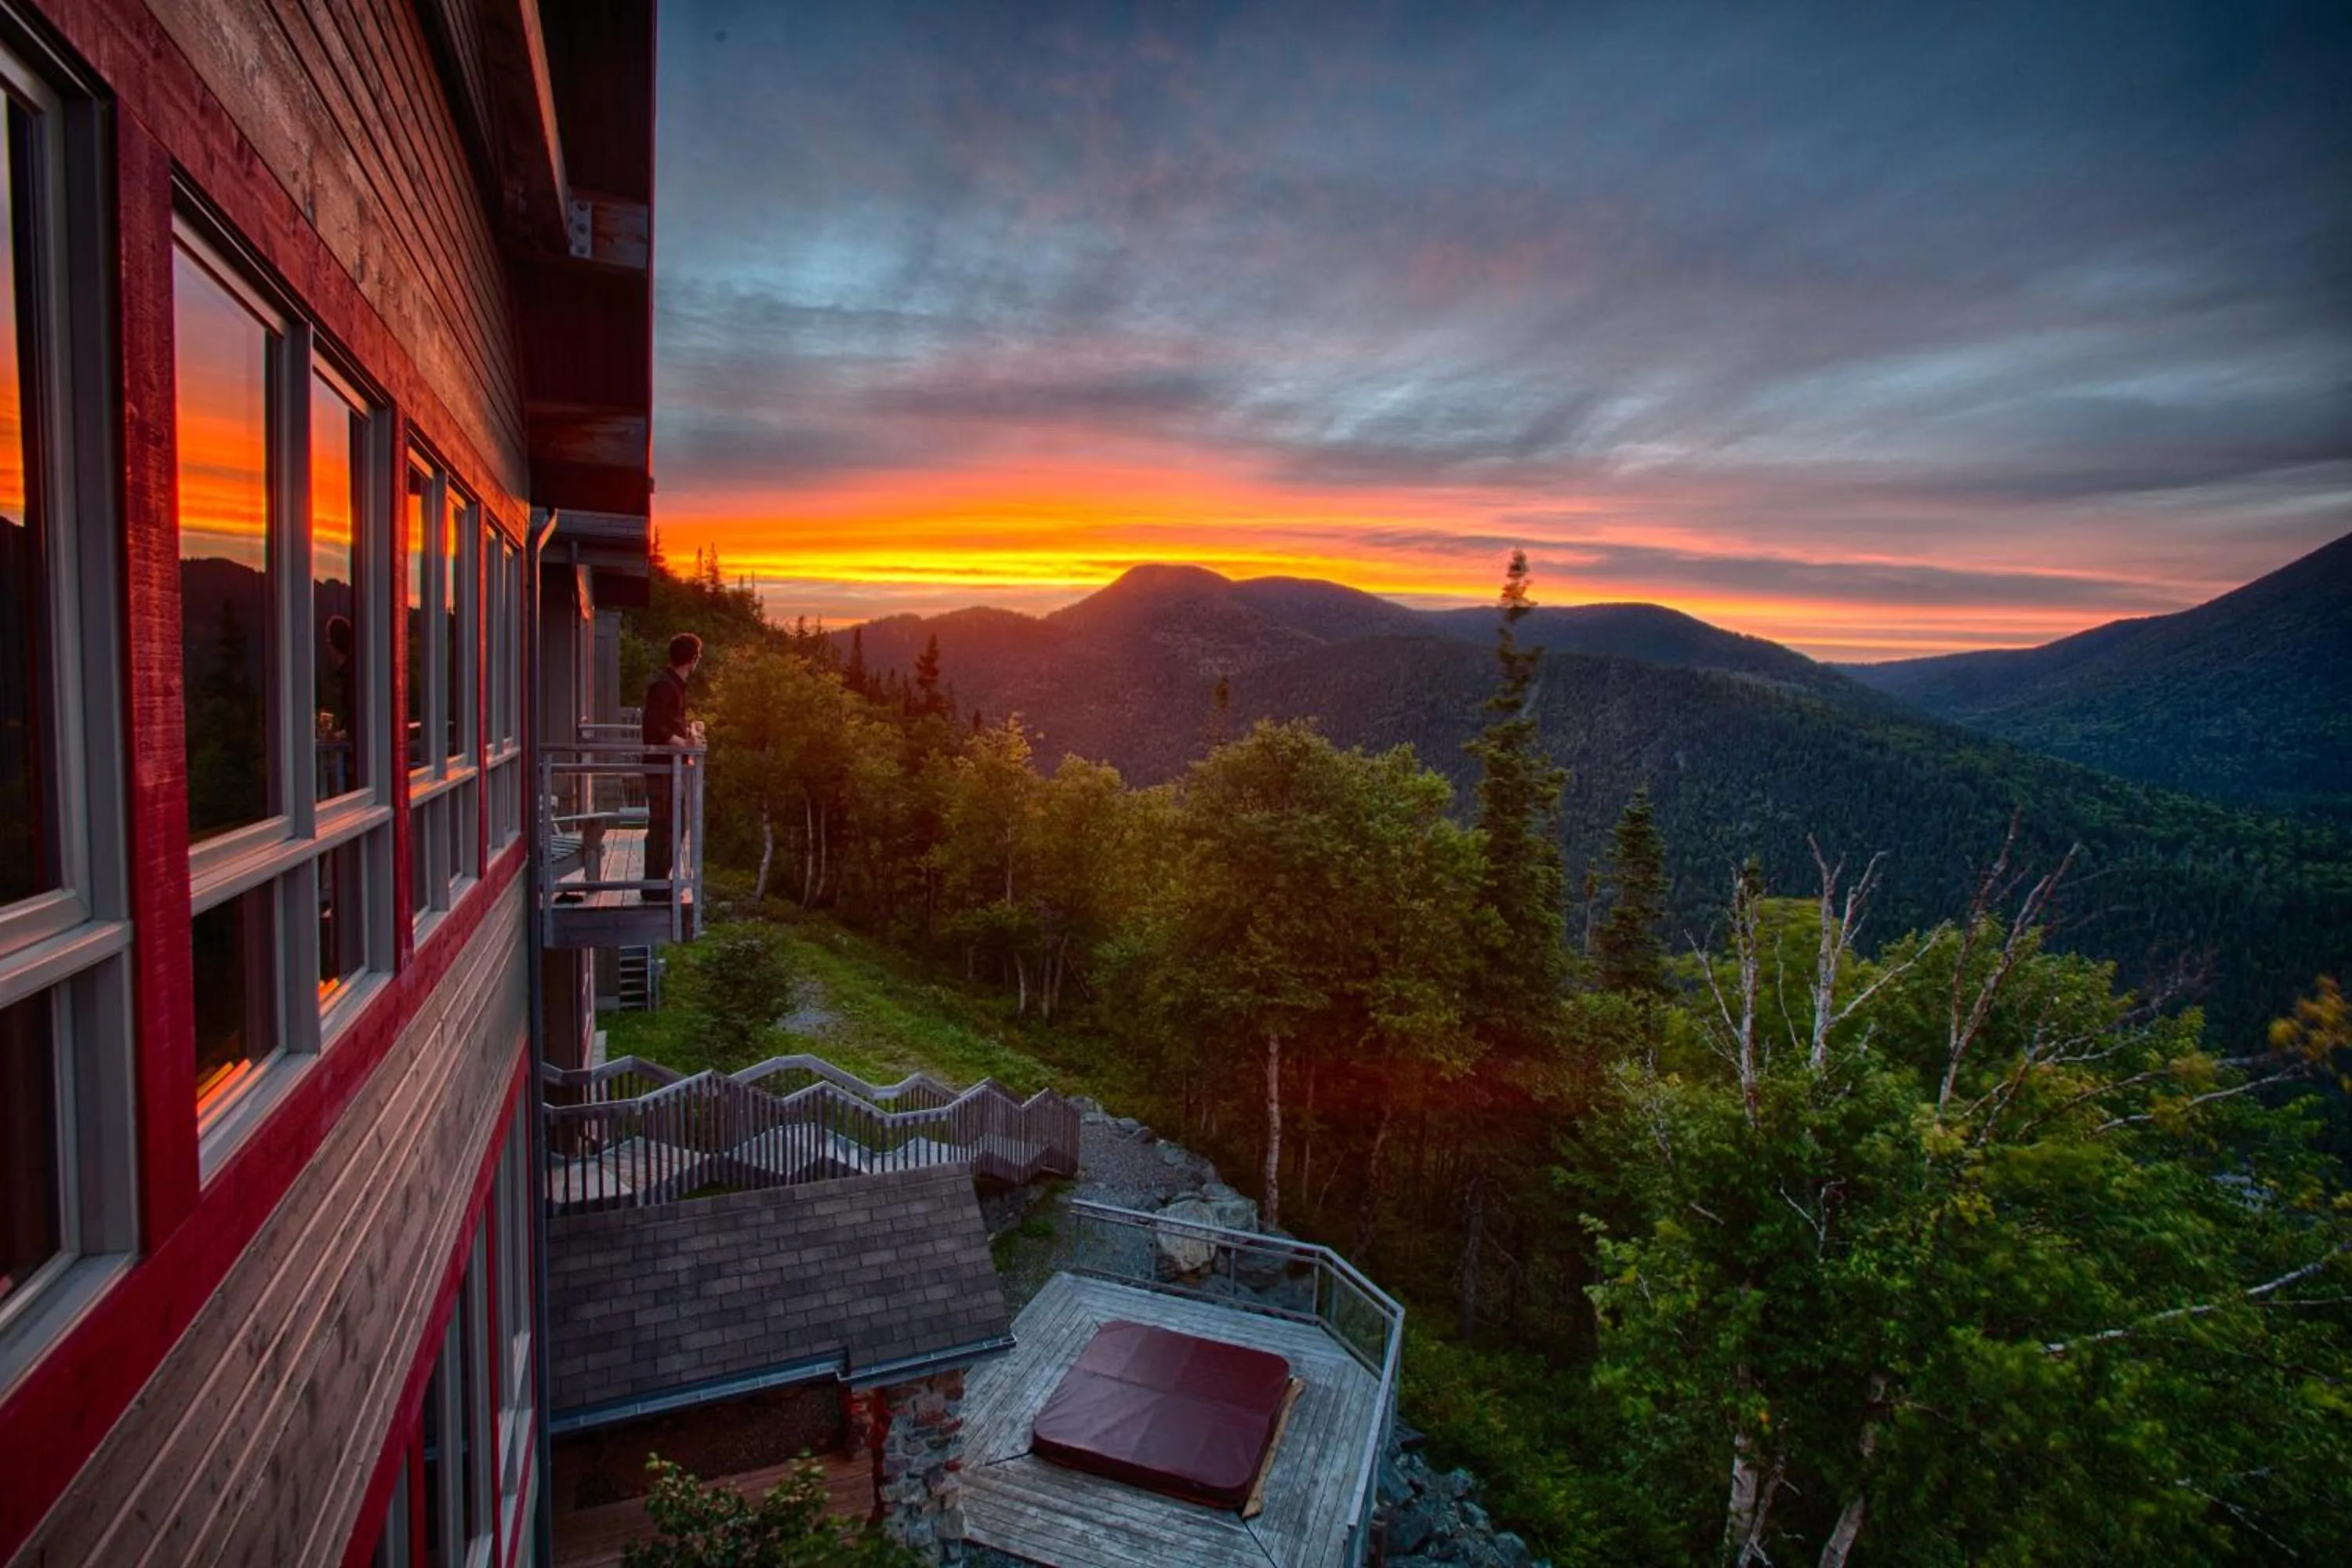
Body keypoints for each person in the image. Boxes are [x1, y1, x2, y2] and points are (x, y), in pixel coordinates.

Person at [641, 633, 702, 897]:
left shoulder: (672, 685)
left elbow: (664, 722)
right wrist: (683, 743)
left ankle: (658, 882)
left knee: (672, 824)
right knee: (664, 825)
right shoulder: (665, 686)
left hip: (670, 768)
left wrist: (688, 733)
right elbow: (653, 725)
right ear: (693, 660)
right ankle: (654, 886)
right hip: (662, 768)